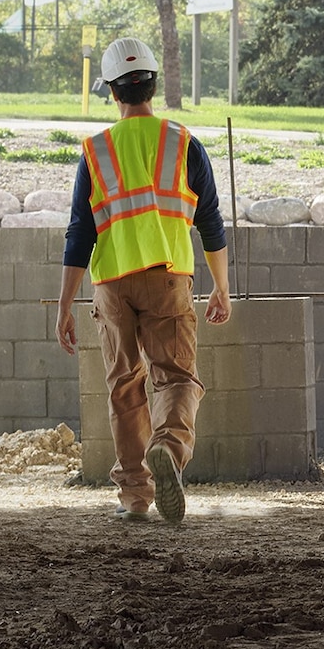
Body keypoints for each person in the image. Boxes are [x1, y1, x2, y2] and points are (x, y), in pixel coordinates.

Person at [56, 37, 234, 527]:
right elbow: (211, 222)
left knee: (123, 387)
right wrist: (220, 287)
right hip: (167, 276)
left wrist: (64, 305)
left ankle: (135, 495)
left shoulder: (96, 152)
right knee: (176, 378)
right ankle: (169, 452)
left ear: (113, 92)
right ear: (153, 85)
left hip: (111, 285)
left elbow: (79, 234)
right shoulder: (183, 143)